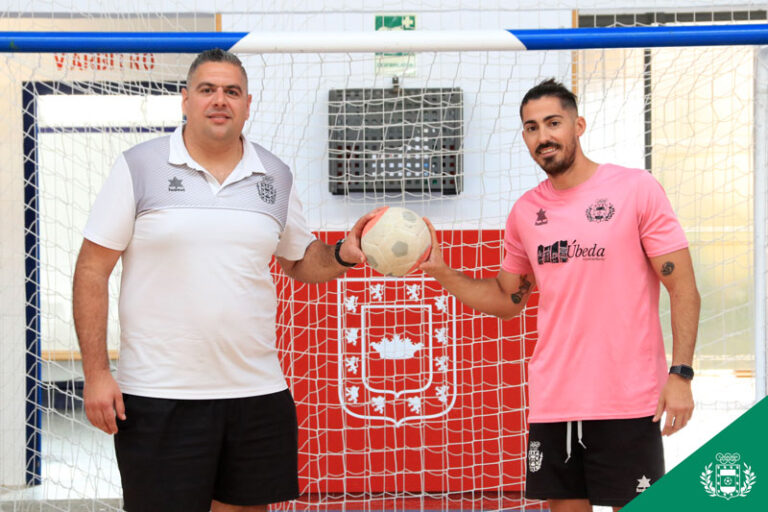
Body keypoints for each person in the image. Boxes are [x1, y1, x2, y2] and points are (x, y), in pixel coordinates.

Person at [72, 48, 374, 512]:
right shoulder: (138, 166)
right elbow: (92, 269)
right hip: (159, 395)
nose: (219, 100)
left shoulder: (274, 174)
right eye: (207, 90)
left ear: (247, 104)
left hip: (256, 394)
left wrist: (342, 255)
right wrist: (96, 374)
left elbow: (300, 261)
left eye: (231, 91)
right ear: (185, 100)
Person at [419, 78, 700, 512]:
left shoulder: (635, 189)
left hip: (628, 398)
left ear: (578, 125)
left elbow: (682, 286)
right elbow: (506, 300)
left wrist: (680, 374)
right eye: (531, 127)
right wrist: (440, 270)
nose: (543, 136)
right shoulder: (526, 212)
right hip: (555, 400)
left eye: (553, 123)